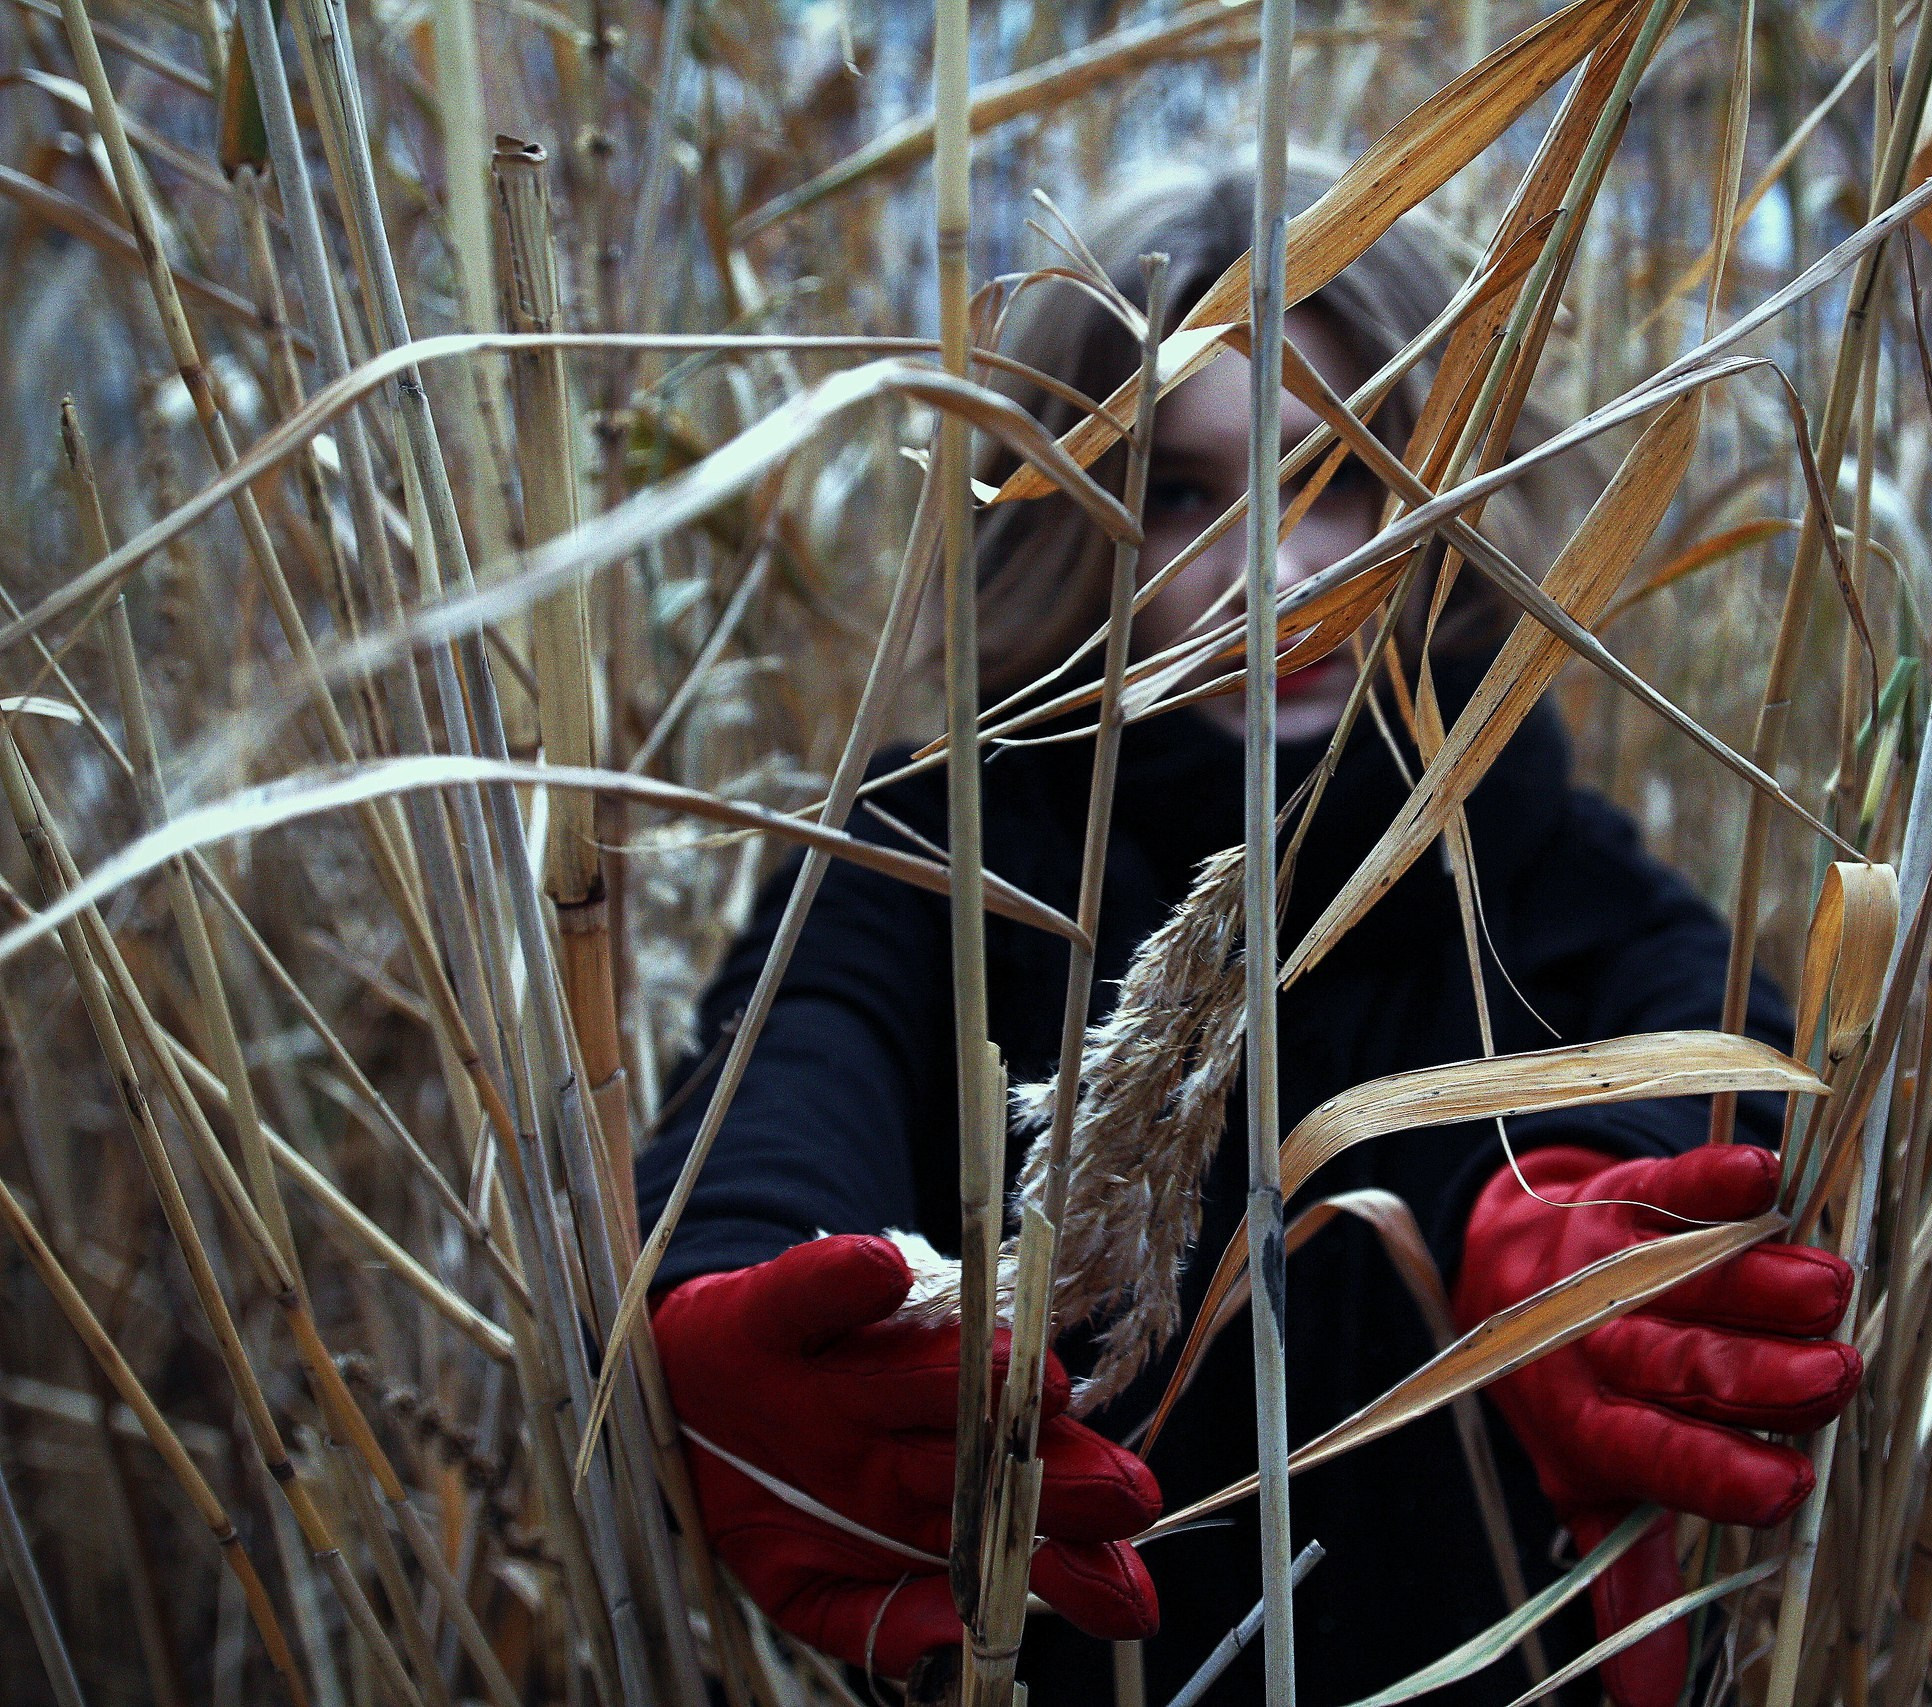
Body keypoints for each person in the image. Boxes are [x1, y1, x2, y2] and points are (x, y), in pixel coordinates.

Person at [638, 160, 1860, 1707]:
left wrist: (1563, 1221)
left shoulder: (1521, 845)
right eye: (1185, 494)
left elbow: (1703, 1028)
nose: (1278, 576)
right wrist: (749, 1295)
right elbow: (797, 1066)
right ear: (1072, 519)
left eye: (1339, 479)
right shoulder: (935, 845)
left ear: (1444, 502)